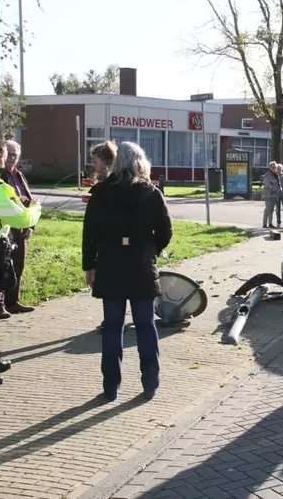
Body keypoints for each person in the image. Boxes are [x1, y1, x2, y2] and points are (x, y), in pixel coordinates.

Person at [82, 141, 172, 401]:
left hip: (110, 263)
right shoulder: (152, 193)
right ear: (141, 162)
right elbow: (166, 231)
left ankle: (111, 387)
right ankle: (150, 384)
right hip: (141, 264)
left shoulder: (101, 193)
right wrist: (150, 249)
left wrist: (90, 266)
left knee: (112, 326)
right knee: (145, 325)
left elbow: (90, 234)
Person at [0, 135, 42, 388]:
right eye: (4, 155)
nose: (8, 160)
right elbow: (22, 216)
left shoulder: (13, 179)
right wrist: (35, 211)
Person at [0, 140, 36, 317]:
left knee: (18, 266)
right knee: (2, 266)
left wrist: (30, 226)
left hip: (21, 227)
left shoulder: (19, 175)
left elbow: (29, 200)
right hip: (5, 228)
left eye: (15, 155)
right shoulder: (0, 177)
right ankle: (1, 305)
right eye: (9, 155)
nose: (12, 158)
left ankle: (13, 302)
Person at [89, 141, 118, 331]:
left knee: (114, 291)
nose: (93, 166)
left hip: (110, 249)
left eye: (95, 161)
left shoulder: (104, 190)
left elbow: (91, 232)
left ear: (105, 162)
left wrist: (89, 264)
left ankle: (113, 323)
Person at [262, 161, 281, 229]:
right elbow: (267, 184)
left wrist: (279, 188)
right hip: (268, 195)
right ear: (270, 168)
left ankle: (270, 223)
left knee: (272, 210)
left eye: (276, 167)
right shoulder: (267, 175)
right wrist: (275, 189)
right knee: (267, 209)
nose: (275, 169)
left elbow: (278, 183)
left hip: (274, 195)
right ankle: (264, 224)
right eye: (273, 167)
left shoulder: (275, 175)